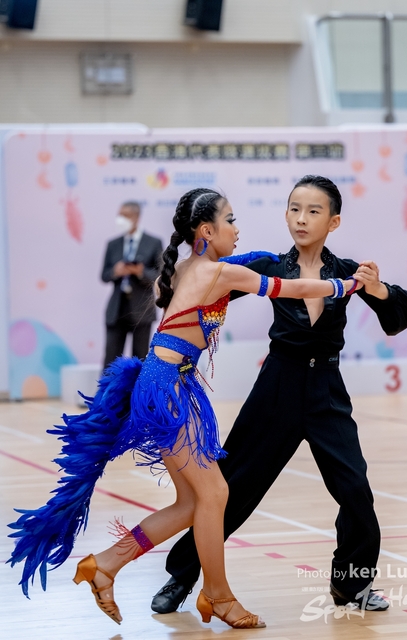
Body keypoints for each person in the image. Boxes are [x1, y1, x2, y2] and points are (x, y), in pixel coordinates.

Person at [8, 187, 358, 630]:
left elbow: (194, 279)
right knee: (215, 493)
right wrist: (345, 284)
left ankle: (106, 564)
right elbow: (294, 287)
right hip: (168, 386)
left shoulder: (190, 266)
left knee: (194, 502)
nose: (237, 228)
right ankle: (218, 595)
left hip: (166, 381)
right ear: (207, 231)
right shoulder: (218, 273)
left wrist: (256, 258)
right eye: (230, 220)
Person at [151, 176, 407, 615]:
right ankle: (182, 574)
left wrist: (379, 288)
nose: (301, 219)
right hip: (277, 386)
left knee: (355, 488)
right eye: (295, 209)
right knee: (234, 485)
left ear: (333, 221)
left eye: (313, 211)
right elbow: (200, 283)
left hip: (327, 390)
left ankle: (352, 586)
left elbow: (402, 315)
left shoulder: (349, 271)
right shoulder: (269, 266)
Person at [101, 201, 163, 368]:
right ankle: (109, 386)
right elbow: (104, 275)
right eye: (120, 215)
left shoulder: (153, 242)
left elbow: (160, 276)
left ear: (136, 217)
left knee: (140, 358)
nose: (121, 219)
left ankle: (139, 387)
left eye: (126, 215)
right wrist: (116, 272)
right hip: (117, 309)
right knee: (111, 360)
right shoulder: (113, 244)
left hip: (141, 309)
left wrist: (140, 271)